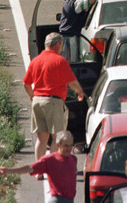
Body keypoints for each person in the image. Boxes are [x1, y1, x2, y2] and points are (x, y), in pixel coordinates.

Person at [23, 33, 86, 164]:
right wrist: (80, 92)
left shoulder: (36, 61)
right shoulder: (59, 61)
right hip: (53, 101)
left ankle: (39, 170)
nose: (62, 48)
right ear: (57, 45)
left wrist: (32, 96)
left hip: (37, 101)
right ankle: (52, 168)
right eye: (62, 45)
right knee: (57, 137)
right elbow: (72, 82)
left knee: (41, 138)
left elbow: (26, 83)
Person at [0, 130, 78, 203]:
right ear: (58, 145)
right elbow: (30, 168)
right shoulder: (50, 160)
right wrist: (8, 170)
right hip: (58, 200)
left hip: (70, 200)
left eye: (71, 145)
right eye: (66, 145)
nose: (69, 148)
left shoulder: (73, 159)